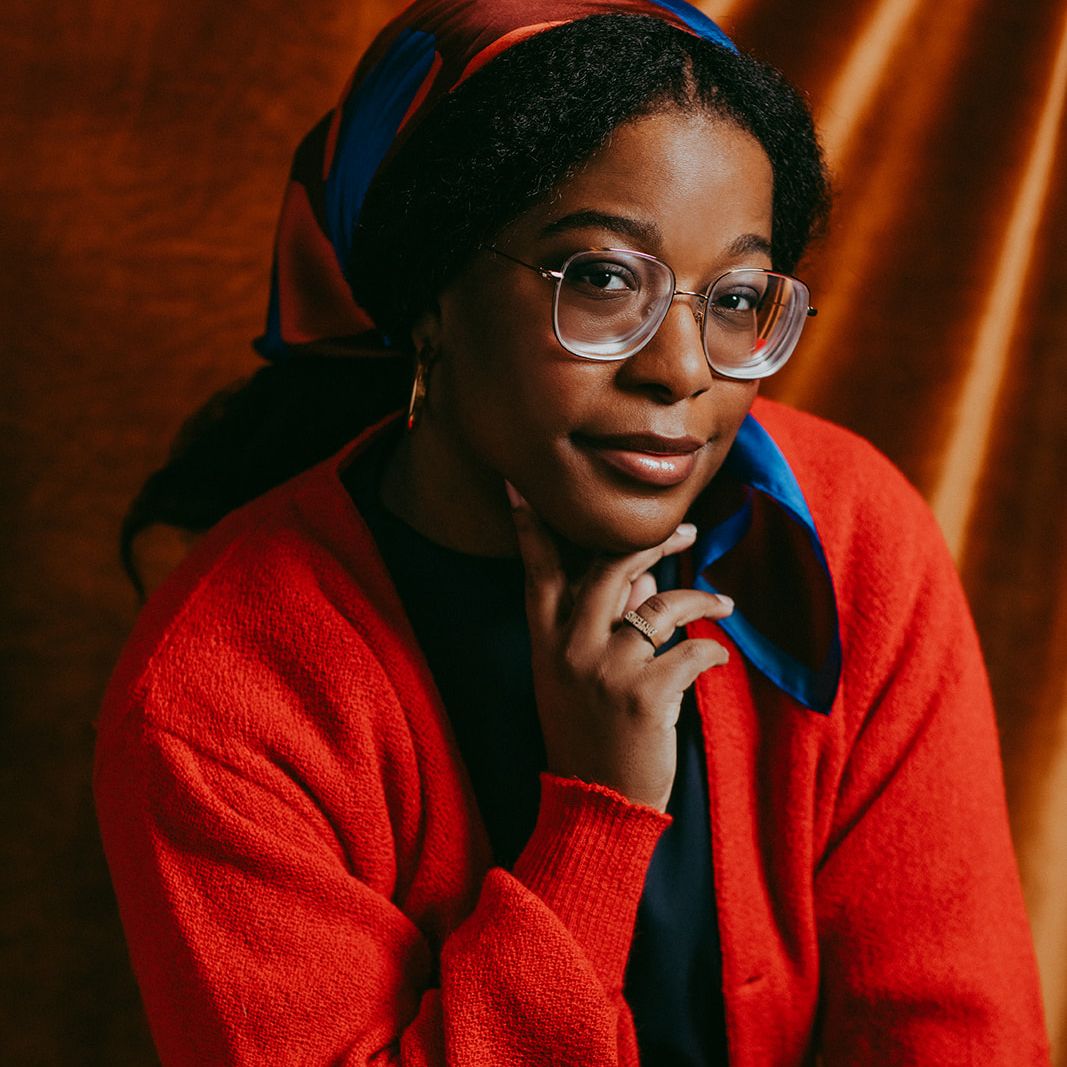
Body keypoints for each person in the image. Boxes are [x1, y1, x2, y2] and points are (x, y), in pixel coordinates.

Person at [94, 1, 1051, 1063]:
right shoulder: (215, 698)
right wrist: (593, 817)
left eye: (733, 297)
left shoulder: (840, 535)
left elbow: (953, 1032)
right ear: (431, 300)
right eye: (601, 278)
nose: (681, 368)